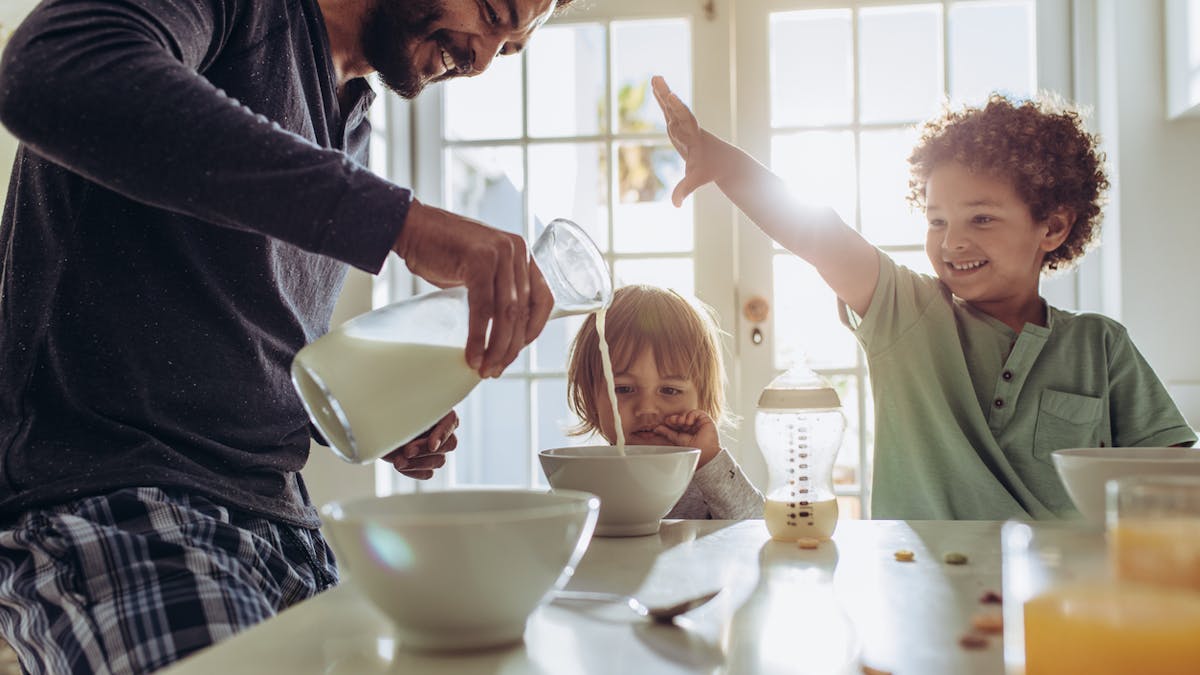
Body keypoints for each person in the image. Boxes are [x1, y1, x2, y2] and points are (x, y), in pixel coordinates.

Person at [0, 0, 573, 672]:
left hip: (286, 527)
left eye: (509, 50)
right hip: (119, 501)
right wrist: (401, 224)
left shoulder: (352, 116)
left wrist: (354, 412)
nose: (479, 61)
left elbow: (244, 336)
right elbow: (48, 70)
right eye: (491, 12)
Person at [651, 76, 1196, 521]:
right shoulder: (906, 316)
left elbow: (1173, 482)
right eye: (938, 220)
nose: (953, 241)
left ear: (1052, 227)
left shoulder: (1101, 345)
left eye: (981, 218)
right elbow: (816, 233)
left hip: (1062, 597)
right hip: (915, 585)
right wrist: (724, 165)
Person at [566, 285, 764, 519]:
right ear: (591, 398)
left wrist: (710, 461)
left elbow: (755, 526)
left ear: (702, 397)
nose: (647, 409)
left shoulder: (706, 479)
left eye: (669, 390)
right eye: (624, 389)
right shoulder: (582, 477)